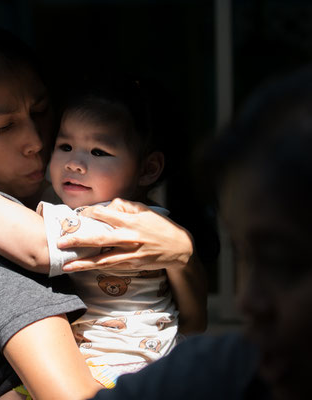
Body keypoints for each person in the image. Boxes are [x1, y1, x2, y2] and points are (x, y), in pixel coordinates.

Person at [0, 21, 206, 400]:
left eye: (41, 111)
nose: (36, 141)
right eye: (5, 127)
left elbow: (193, 320)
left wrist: (180, 252)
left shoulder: (83, 210)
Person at [83, 66, 312, 399]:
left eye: (281, 263)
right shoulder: (216, 374)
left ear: (150, 169)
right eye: (244, 256)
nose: (247, 300)